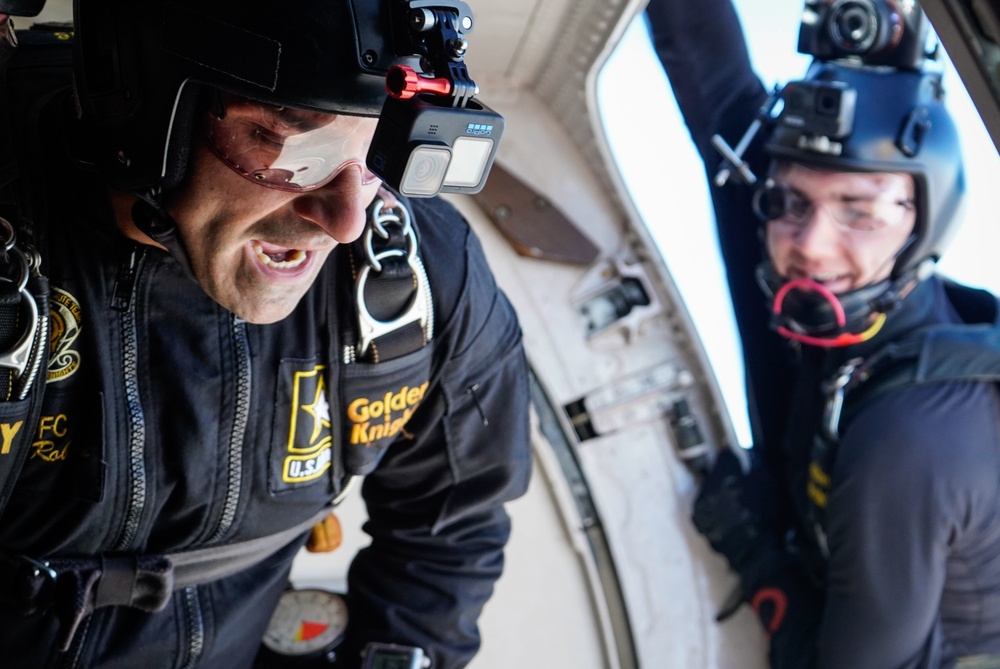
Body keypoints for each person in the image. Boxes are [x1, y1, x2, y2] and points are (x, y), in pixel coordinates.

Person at [0, 1, 532, 668]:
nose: (344, 221)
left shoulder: (419, 278)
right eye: (292, 148)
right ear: (142, 106)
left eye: (377, 155)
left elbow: (452, 527)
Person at [645, 0, 1000, 667]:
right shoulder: (825, 281)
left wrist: (758, 558)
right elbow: (716, 87)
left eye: (859, 212)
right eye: (791, 202)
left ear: (924, 222)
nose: (812, 245)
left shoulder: (912, 440)